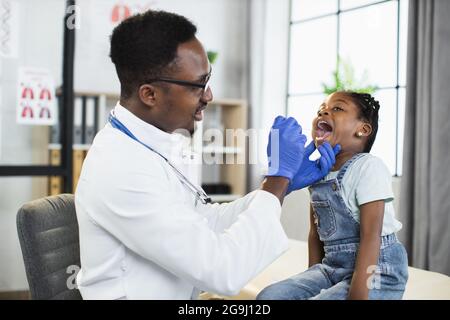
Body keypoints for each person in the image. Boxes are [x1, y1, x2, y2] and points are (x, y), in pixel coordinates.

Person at [74, 10, 339, 300]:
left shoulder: (158, 143)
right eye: (198, 85)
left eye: (208, 79)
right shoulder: (120, 168)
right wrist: (277, 180)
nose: (209, 95)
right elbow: (222, 270)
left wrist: (279, 187)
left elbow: (203, 221)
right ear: (150, 95)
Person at [257, 91, 409, 300]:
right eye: (321, 110)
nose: (325, 111)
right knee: (269, 297)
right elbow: (315, 234)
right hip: (333, 268)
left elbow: (370, 237)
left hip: (377, 271)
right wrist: (311, 279)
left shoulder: (369, 167)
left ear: (362, 130)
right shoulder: (319, 173)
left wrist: (359, 294)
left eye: (337, 108)